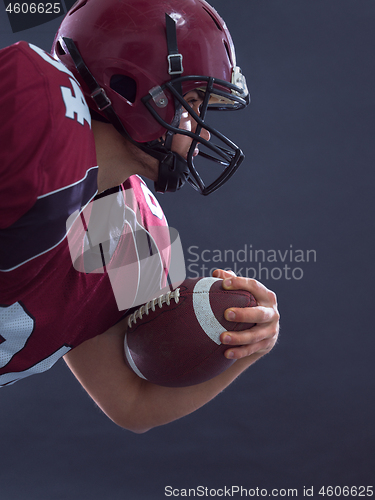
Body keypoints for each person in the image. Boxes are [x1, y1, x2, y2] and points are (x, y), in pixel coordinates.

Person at [0, 0, 279, 432]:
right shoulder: (36, 113)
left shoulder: (132, 235)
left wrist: (249, 347)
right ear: (127, 84)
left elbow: (133, 403)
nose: (202, 130)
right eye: (192, 99)